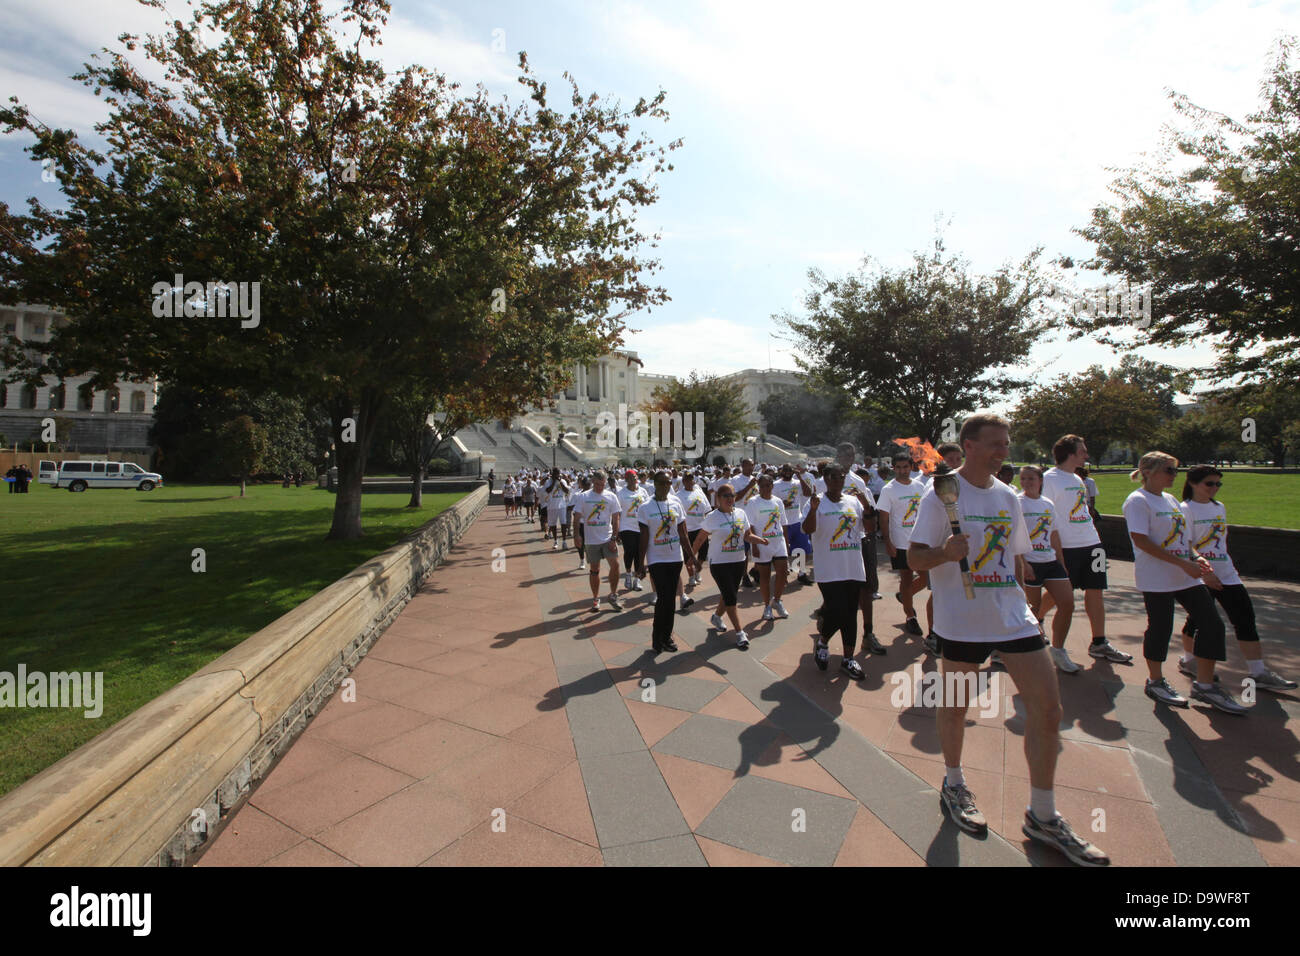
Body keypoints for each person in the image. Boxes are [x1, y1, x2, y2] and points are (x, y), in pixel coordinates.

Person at [908, 413, 1110, 866]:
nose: (1005, 450)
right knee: (956, 706)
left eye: (1007, 442)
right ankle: (954, 781)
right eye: (996, 443)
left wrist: (1028, 608)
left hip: (1013, 616)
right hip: (962, 620)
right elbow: (915, 557)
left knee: (1049, 706)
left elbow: (1015, 559)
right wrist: (945, 553)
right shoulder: (941, 495)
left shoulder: (1007, 496)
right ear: (970, 445)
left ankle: (1042, 813)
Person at [1123, 453, 1246, 713]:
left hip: (1185, 575)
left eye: (1175, 470)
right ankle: (1155, 681)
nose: (1174, 475)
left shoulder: (1169, 500)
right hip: (1157, 578)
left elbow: (1184, 539)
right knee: (1161, 627)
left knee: (1212, 623)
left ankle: (1205, 685)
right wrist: (1184, 564)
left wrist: (1198, 558)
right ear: (1150, 471)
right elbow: (1141, 541)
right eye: (1169, 470)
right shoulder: (1137, 501)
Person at [1178, 467, 1296, 691]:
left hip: (1227, 572)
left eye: (1218, 484)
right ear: (1193, 483)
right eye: (1209, 484)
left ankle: (1258, 672)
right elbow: (1185, 544)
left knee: (1245, 618)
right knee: (1199, 621)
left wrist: (1221, 568)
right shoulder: (1185, 509)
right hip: (1201, 574)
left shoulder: (1219, 507)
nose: (1214, 489)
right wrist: (1206, 572)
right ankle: (1188, 660)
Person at [1041, 435, 1130, 665]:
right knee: (1060, 594)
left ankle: (1099, 642)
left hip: (1092, 544)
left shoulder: (1077, 479)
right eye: (1082, 451)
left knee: (1096, 589)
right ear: (1070, 453)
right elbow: (1044, 516)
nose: (1086, 455)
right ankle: (1033, 620)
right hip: (1068, 547)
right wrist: (1055, 549)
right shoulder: (1050, 479)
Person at [803, 464, 872, 678]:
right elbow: (808, 529)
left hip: (852, 565)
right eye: (832, 477)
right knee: (837, 609)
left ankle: (848, 659)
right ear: (825, 479)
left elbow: (869, 529)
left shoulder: (853, 501)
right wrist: (814, 510)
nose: (837, 481)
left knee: (850, 613)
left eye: (840, 477)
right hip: (829, 568)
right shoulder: (816, 502)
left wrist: (867, 506)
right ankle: (823, 643)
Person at [1017, 465, 1078, 673]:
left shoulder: (1047, 504)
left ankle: (1058, 650)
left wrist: (1061, 561)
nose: (1027, 482)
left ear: (1040, 480)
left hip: (1050, 561)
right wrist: (1024, 563)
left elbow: (1053, 534)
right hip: (1031, 562)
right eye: (1023, 478)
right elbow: (1014, 536)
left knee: (1067, 603)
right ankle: (1028, 653)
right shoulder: (1018, 503)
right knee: (1031, 610)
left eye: (1031, 478)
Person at [690, 483, 765, 648]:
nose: (730, 499)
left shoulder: (741, 513)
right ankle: (740, 632)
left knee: (729, 593)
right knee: (731, 598)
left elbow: (747, 535)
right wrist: (691, 557)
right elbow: (700, 539)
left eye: (732, 495)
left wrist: (759, 540)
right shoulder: (712, 517)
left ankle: (716, 617)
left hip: (738, 561)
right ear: (718, 498)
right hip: (719, 563)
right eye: (726, 496)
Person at [638, 471, 697, 653]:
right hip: (657, 558)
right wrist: (640, 563)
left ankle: (667, 635)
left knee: (670, 599)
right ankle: (658, 638)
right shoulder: (645, 507)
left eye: (668, 483)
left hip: (675, 557)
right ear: (654, 484)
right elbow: (644, 537)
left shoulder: (676, 503)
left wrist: (692, 556)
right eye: (662, 483)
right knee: (663, 598)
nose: (665, 486)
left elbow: (683, 533)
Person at [877, 452, 927, 638]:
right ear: (893, 468)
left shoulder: (920, 486)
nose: (902, 471)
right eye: (898, 467)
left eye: (905, 467)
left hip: (920, 542)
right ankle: (910, 616)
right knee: (906, 579)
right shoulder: (888, 490)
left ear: (911, 467)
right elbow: (884, 519)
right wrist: (888, 542)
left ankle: (905, 596)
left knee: (926, 578)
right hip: (900, 543)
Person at [573, 470, 623, 612]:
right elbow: (576, 517)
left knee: (615, 565)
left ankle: (613, 594)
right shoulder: (584, 497)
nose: (600, 487)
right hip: (591, 540)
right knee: (595, 570)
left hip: (607, 538)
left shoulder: (611, 496)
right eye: (597, 484)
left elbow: (616, 518)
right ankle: (595, 598)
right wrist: (576, 535)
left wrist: (614, 537)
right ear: (593, 483)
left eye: (603, 484)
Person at [744, 473, 790, 621]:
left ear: (772, 486)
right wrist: (755, 544)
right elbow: (749, 525)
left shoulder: (778, 502)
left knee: (782, 574)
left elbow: (783, 522)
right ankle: (767, 607)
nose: (765, 488)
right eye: (762, 485)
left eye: (768, 485)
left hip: (778, 542)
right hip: (762, 543)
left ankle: (777, 601)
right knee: (764, 577)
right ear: (758, 487)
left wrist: (787, 542)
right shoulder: (753, 502)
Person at [616, 470, 650, 592]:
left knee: (639, 553)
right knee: (629, 550)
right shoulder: (621, 493)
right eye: (630, 477)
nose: (633, 479)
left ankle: (637, 579)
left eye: (635, 477)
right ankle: (628, 574)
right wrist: (617, 530)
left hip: (641, 527)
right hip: (626, 527)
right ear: (626, 479)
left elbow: (647, 508)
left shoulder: (643, 491)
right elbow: (617, 512)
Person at [678, 472, 711, 587]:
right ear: (683, 482)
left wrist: (709, 524)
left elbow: (707, 510)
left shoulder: (699, 493)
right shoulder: (678, 495)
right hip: (687, 529)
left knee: (703, 552)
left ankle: (697, 571)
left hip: (701, 528)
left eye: (691, 479)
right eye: (687, 480)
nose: (689, 482)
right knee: (688, 554)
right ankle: (691, 576)